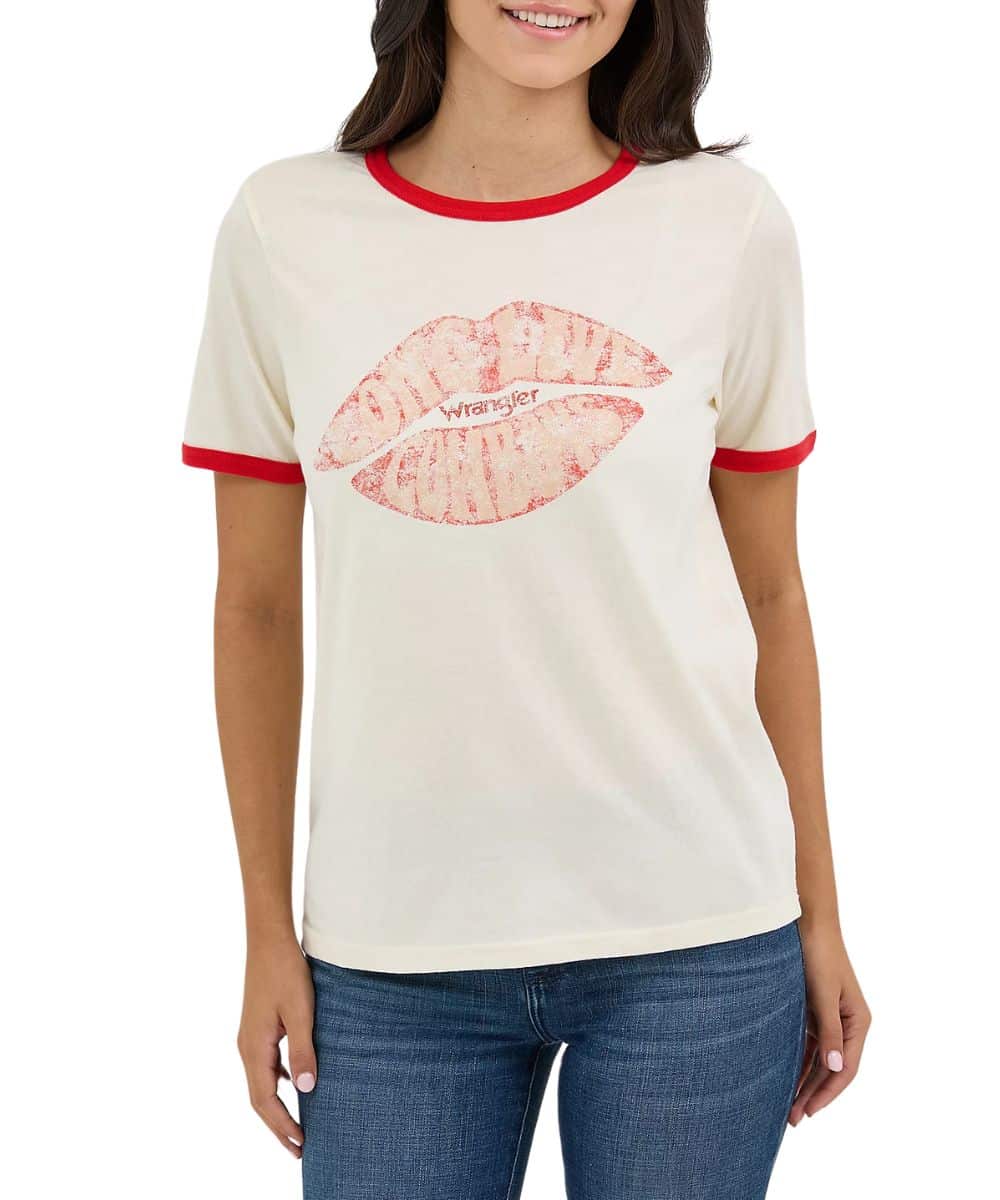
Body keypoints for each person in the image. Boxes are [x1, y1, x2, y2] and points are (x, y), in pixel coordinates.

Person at [181, 2, 870, 1196]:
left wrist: (819, 911)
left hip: (698, 939)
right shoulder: (281, 227)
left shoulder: (728, 225)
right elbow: (255, 609)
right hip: (389, 953)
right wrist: (263, 929)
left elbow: (770, 591)